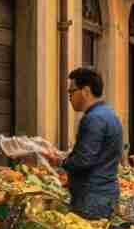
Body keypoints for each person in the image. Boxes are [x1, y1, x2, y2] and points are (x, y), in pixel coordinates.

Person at [46, 67, 123, 220]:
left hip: (92, 198)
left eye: (71, 91)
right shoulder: (109, 114)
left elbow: (84, 160)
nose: (69, 97)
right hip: (105, 193)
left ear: (86, 91)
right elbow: (96, 154)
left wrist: (59, 160)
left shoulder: (93, 119)